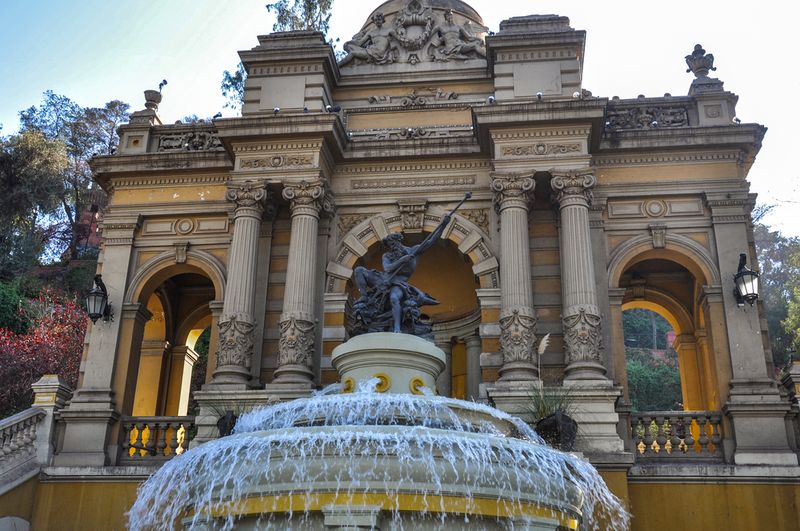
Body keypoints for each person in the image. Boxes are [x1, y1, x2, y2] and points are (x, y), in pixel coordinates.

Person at [353, 213, 452, 333]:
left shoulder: (413, 251)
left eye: (393, 244)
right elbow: (387, 268)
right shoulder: (388, 255)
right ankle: (363, 295)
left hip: (398, 284)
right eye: (390, 246)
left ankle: (397, 328)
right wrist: (402, 260)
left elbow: (431, 241)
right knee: (359, 270)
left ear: (399, 242)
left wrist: (443, 225)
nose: (392, 247)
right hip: (383, 279)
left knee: (394, 298)